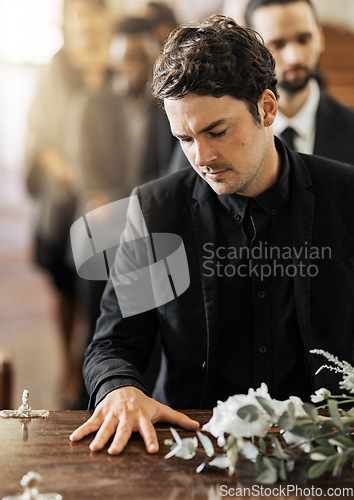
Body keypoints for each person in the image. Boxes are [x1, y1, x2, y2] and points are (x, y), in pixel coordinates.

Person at [70, 15, 354, 456]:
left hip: (327, 446)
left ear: (266, 108)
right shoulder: (156, 211)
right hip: (193, 445)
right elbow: (114, 343)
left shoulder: (347, 196)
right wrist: (118, 388)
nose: (201, 157)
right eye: (184, 138)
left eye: (216, 132)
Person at [24, 0, 114, 404]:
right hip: (64, 194)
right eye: (75, 16)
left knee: (102, 288)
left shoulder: (117, 60)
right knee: (65, 282)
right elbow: (39, 134)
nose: (83, 24)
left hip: (110, 192)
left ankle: (97, 359)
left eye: (90, 15)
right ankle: (67, 364)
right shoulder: (57, 68)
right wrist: (75, 176)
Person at [244, 0, 354, 162]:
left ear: (320, 39)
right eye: (278, 44)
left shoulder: (351, 127)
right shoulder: (236, 131)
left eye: (303, 40)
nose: (294, 58)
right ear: (254, 51)